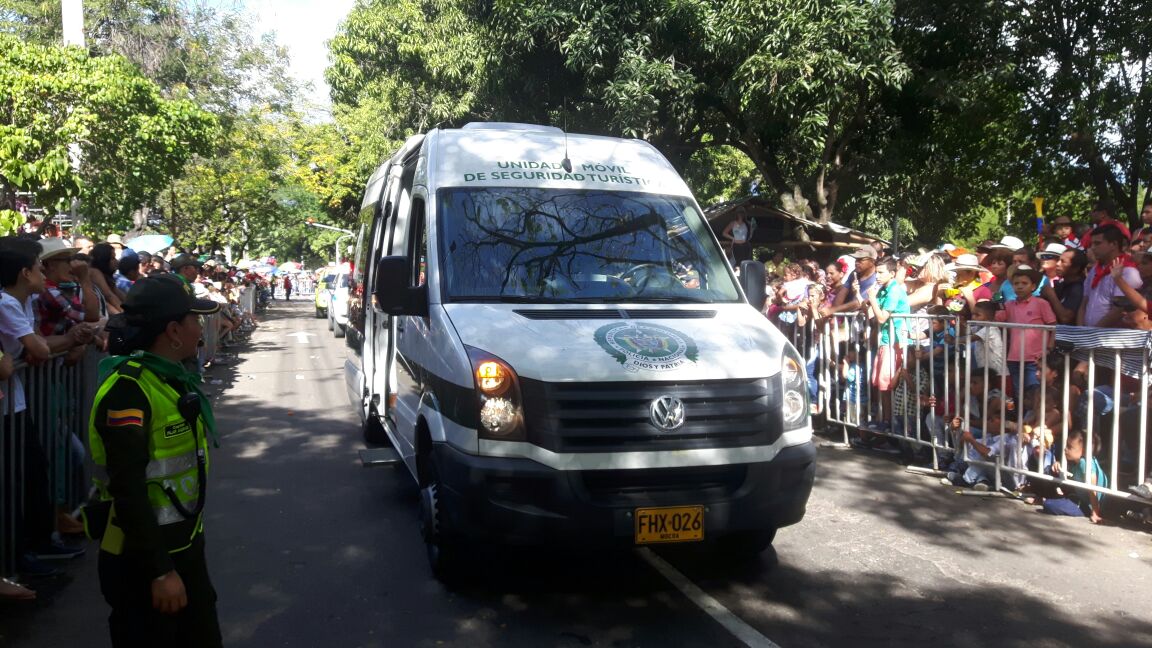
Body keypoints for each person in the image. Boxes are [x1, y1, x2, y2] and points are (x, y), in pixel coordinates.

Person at [89, 273, 222, 647]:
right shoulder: (129, 392)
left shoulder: (169, 379)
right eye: (195, 320)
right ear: (174, 330)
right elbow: (128, 489)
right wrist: (160, 571)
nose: (201, 328)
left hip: (183, 546)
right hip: (143, 560)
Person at [995, 266, 1057, 397]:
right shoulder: (1009, 305)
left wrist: (1049, 348)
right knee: (1019, 394)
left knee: (1033, 391)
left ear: (1033, 286)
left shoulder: (1041, 303)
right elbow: (998, 319)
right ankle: (1021, 417)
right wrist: (999, 303)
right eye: (1016, 283)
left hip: (1035, 358)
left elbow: (1053, 325)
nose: (1020, 287)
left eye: (1024, 283)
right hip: (1014, 357)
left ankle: (1033, 416)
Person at [1079, 224, 1139, 327]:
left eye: (1097, 243)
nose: (1092, 248)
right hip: (1088, 337)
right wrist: (1081, 331)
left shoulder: (1128, 271)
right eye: (1091, 244)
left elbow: (1119, 310)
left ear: (1114, 244)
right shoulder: (1094, 270)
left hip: (1111, 338)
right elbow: (1084, 302)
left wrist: (1093, 333)